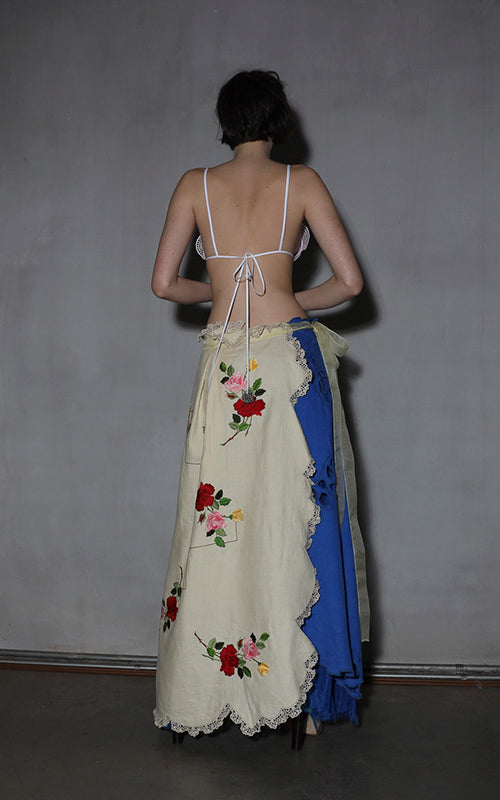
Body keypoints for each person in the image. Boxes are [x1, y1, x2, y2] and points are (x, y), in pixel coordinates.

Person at [151, 70, 369, 746]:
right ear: (277, 120)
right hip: (286, 364)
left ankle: (203, 687)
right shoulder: (300, 182)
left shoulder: (194, 184)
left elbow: (164, 284)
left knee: (216, 520)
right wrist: (289, 299)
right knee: (294, 515)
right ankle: (295, 690)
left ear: (226, 120)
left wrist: (218, 290)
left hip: (223, 364)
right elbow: (350, 281)